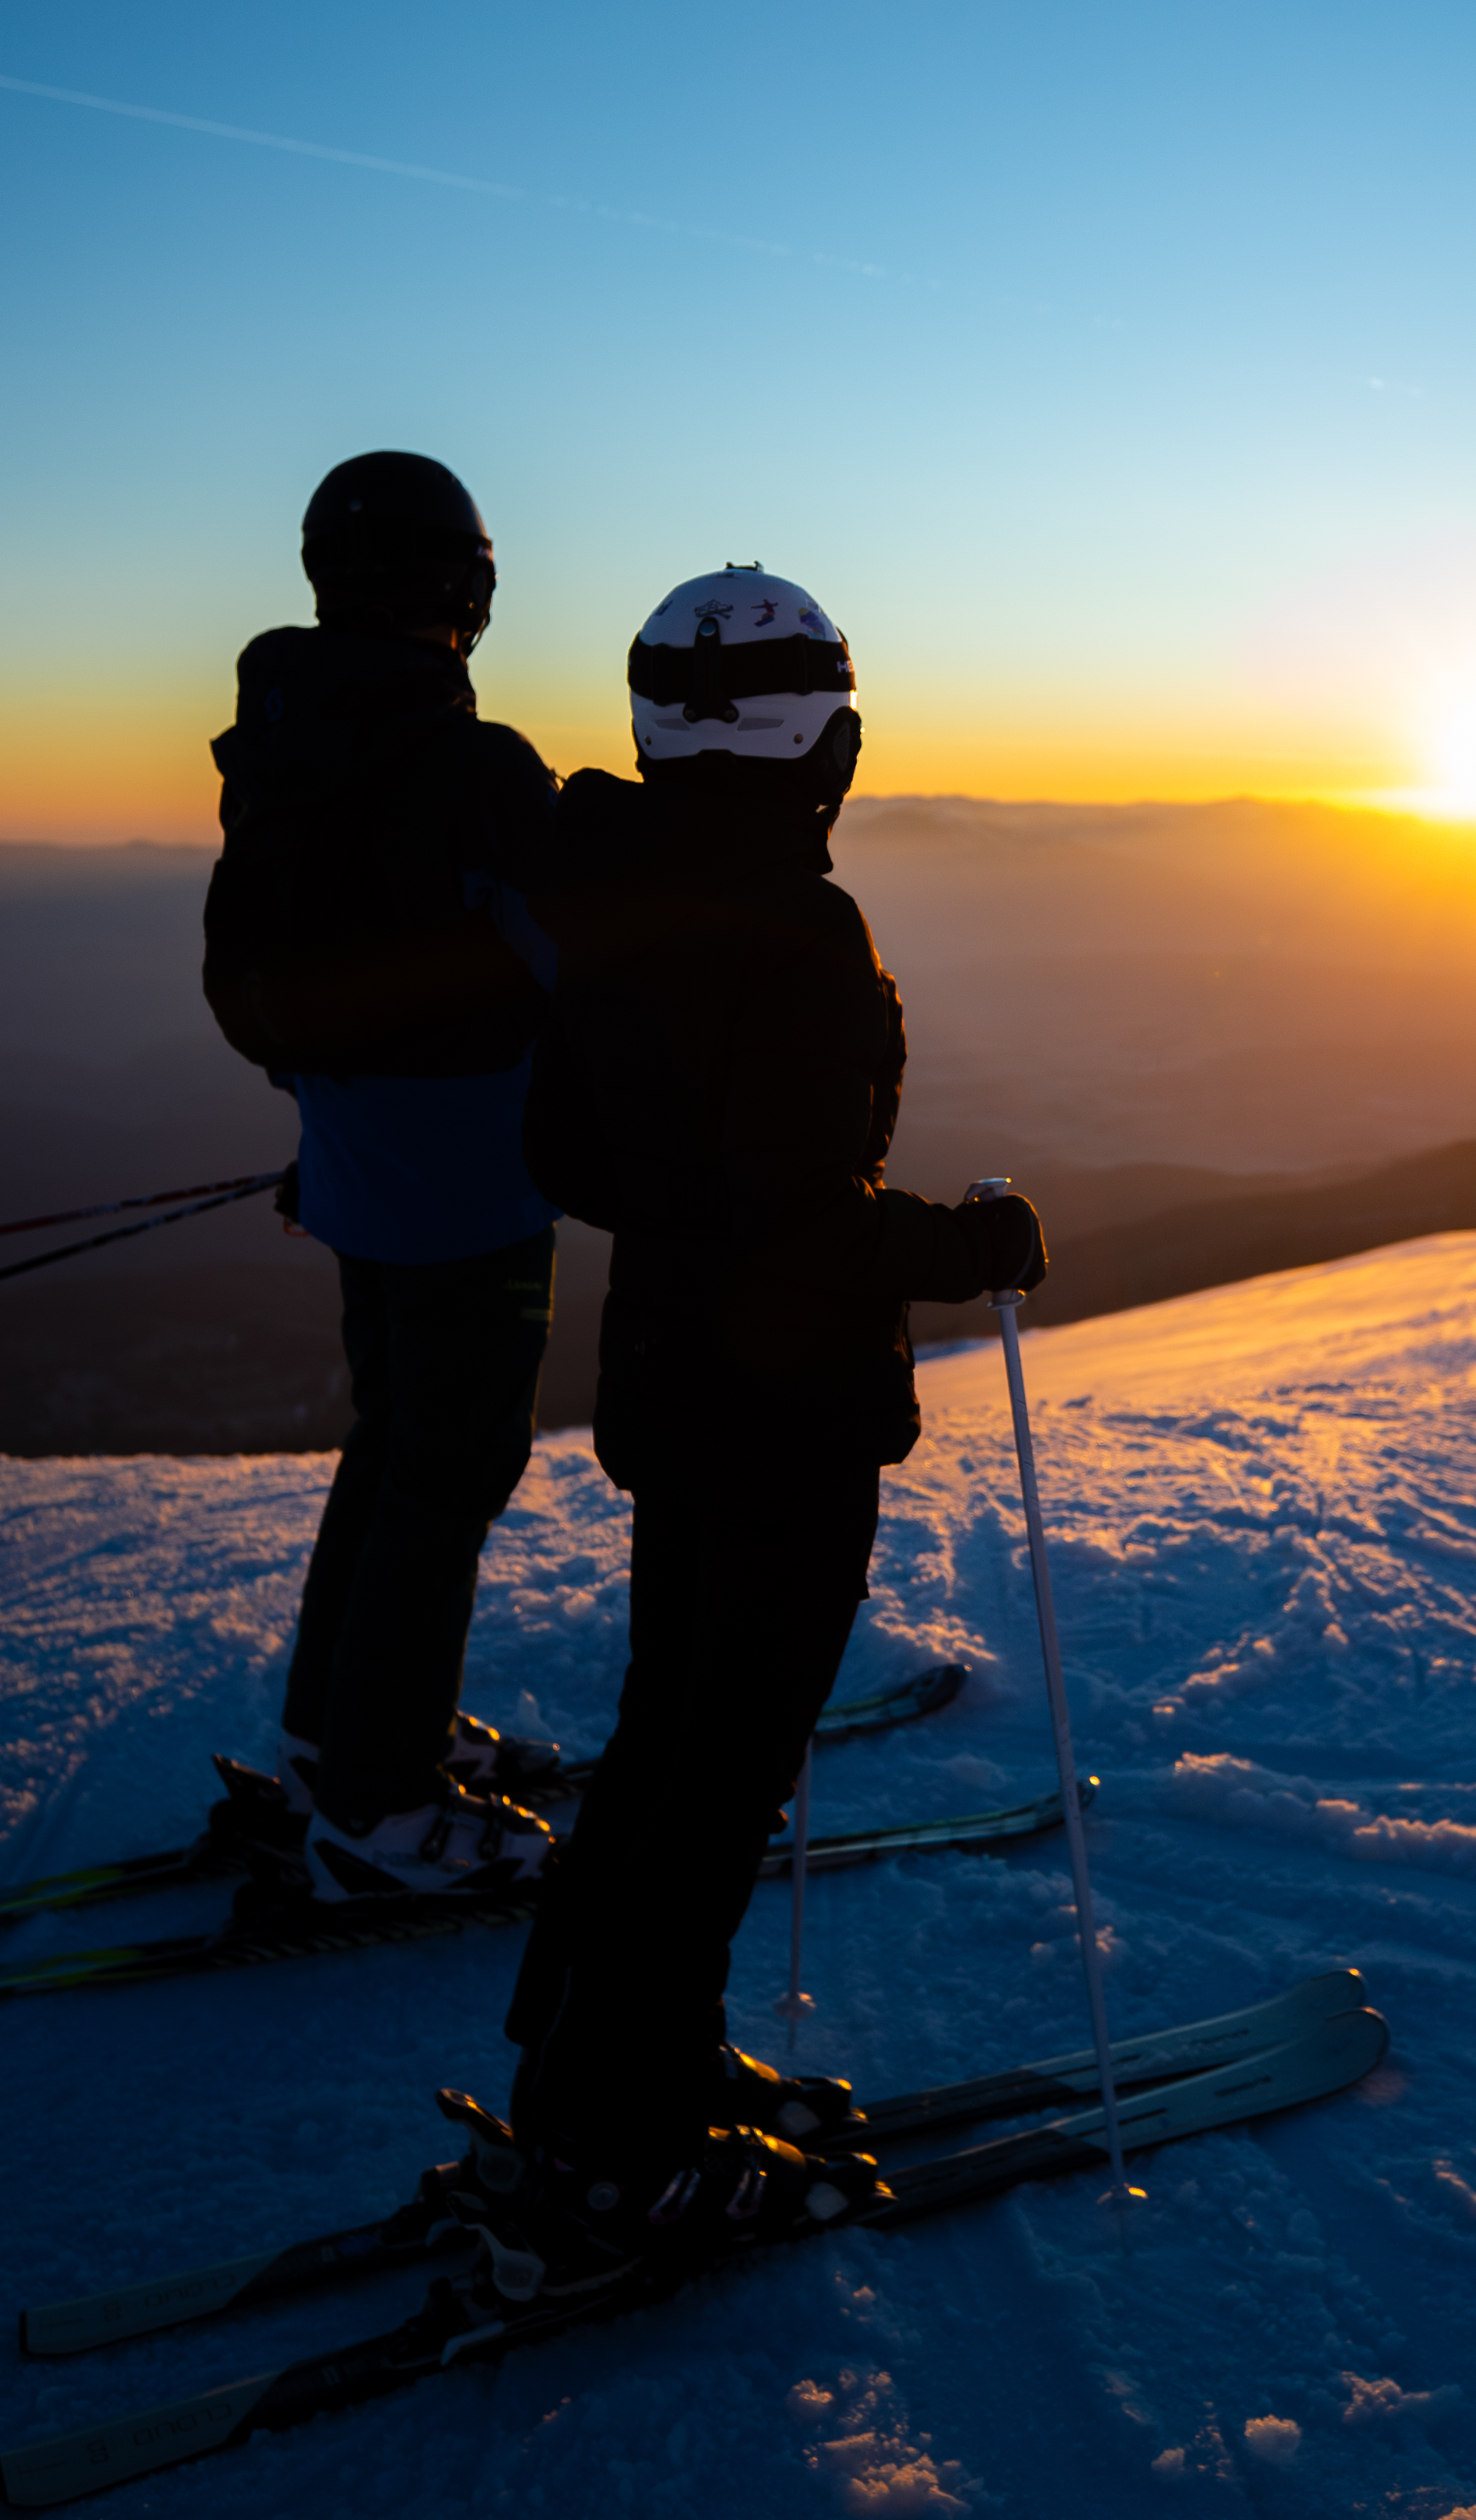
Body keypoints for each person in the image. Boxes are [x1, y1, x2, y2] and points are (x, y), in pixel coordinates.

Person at [440, 566, 1045, 2297]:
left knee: (668, 1740)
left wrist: (707, 1200)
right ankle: (617, 2157)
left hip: (674, 1383)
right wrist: (975, 1244)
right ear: (826, 740)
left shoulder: (618, 889)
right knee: (715, 1775)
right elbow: (805, 1224)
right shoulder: (795, 933)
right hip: (782, 1407)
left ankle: (603, 2073)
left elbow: (571, 1153)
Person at [198, 450, 569, 1901]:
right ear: (465, 586)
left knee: (394, 1446)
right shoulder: (474, 763)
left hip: (353, 1162)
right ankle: (379, 1804)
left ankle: (334, 1736)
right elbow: (564, 963)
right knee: (449, 1473)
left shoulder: (289, 740)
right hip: (473, 1181)